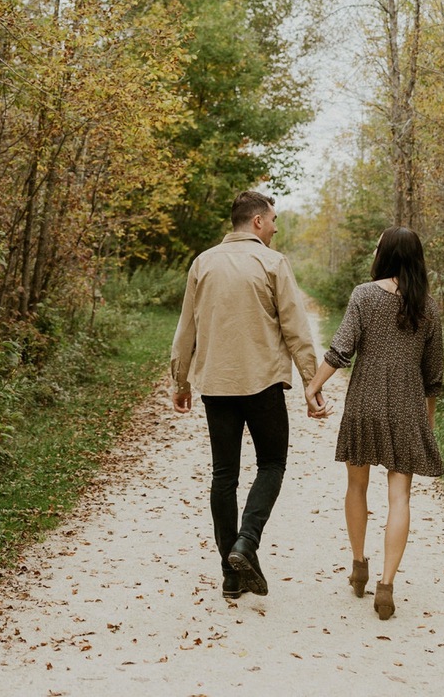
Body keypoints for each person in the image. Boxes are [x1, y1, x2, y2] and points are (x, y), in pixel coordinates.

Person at [170, 189, 324, 601]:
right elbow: (295, 326)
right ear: (256, 221)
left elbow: (186, 327)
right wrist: (312, 382)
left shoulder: (202, 263)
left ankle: (230, 575)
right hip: (264, 384)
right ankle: (246, 544)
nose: (275, 227)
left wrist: (180, 380)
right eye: (273, 219)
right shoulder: (272, 262)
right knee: (272, 464)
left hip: (216, 385)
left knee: (224, 475)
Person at [304, 226, 444, 621]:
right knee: (400, 497)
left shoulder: (364, 295)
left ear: (385, 254)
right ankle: (386, 584)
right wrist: (427, 422)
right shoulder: (428, 306)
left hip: (364, 402)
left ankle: (359, 564)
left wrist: (313, 387)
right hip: (407, 409)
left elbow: (340, 349)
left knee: (356, 484)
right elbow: (433, 374)